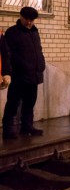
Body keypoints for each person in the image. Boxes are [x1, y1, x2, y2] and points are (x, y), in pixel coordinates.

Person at [2, 7, 46, 139]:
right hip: (18, 75)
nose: (29, 22)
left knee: (30, 102)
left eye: (31, 20)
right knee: (13, 103)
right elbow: (8, 55)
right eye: (26, 19)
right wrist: (9, 72)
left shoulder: (34, 32)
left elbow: (38, 50)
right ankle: (8, 130)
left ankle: (27, 127)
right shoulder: (12, 32)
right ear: (20, 17)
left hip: (33, 75)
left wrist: (41, 65)